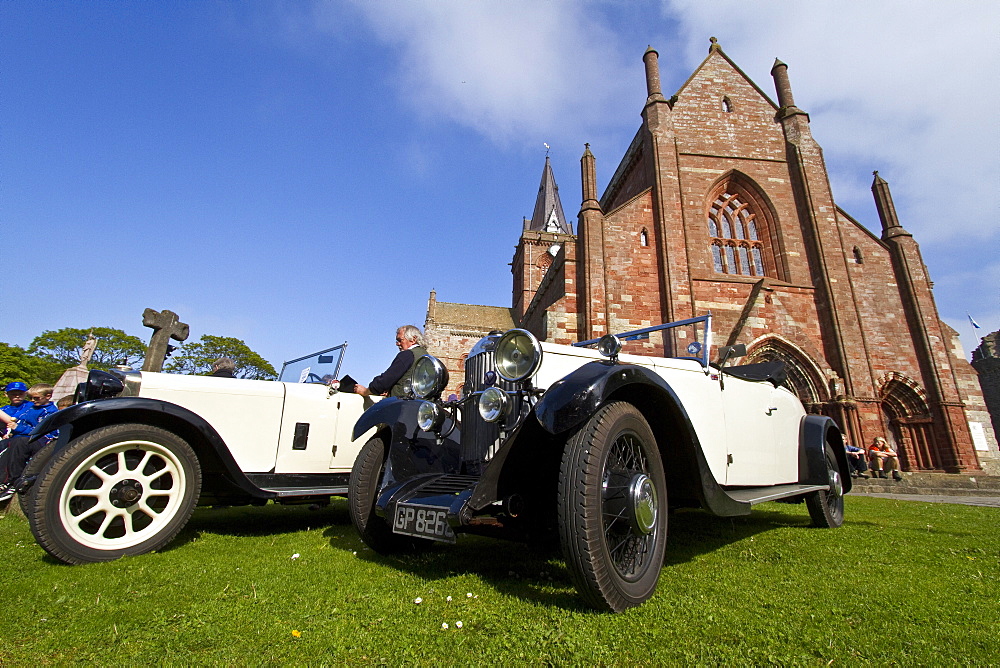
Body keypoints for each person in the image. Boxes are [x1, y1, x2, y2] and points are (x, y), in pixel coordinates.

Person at [0, 383, 60, 502]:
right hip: (22, 439)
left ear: (48, 396)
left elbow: (43, 431)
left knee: (18, 442)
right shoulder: (30, 407)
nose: (32, 401)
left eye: (36, 398)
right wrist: (11, 428)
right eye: (30, 398)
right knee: (5, 444)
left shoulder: (50, 412)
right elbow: (17, 418)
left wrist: (18, 428)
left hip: (42, 442)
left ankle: (12, 482)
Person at [353, 325, 429, 398]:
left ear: (413, 339)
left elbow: (386, 380)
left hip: (402, 405)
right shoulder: (427, 357)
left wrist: (366, 391)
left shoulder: (407, 355)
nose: (397, 344)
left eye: (400, 340)